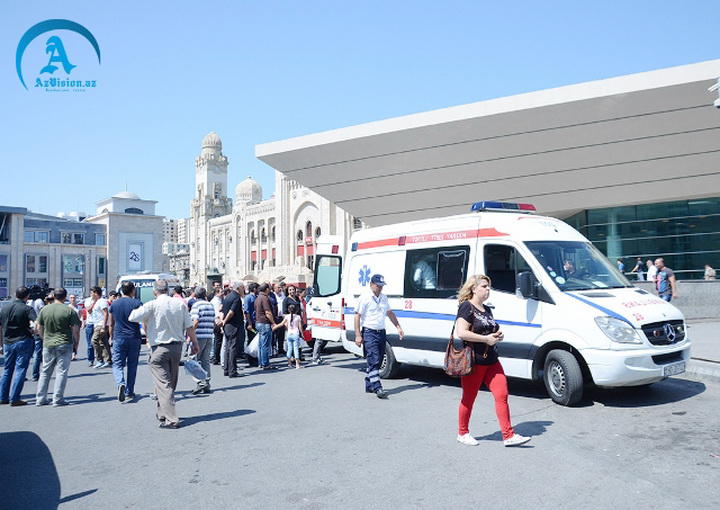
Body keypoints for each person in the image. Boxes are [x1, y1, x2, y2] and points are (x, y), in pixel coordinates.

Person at [454, 275, 530, 447]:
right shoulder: (466, 307)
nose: (488, 290)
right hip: (474, 361)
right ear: (474, 288)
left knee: (502, 394)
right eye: (484, 286)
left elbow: (490, 330)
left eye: (489, 287)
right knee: (469, 398)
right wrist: (485, 339)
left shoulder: (487, 309)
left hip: (492, 360)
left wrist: (497, 335)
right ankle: (462, 433)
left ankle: (508, 435)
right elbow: (462, 332)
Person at [129, 279, 199, 429]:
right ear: (168, 290)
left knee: (163, 384)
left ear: (155, 291)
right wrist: (195, 343)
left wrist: (147, 316)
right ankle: (162, 412)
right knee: (171, 382)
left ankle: (171, 419)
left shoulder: (152, 305)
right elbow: (189, 326)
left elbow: (132, 317)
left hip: (159, 348)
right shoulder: (179, 304)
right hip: (176, 347)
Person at [353, 274, 404, 399]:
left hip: (381, 332)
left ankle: (369, 383)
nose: (380, 288)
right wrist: (358, 335)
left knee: (379, 360)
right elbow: (357, 316)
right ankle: (377, 387)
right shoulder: (364, 298)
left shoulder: (384, 298)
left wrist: (398, 327)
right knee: (374, 359)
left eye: (381, 286)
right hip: (369, 332)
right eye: (378, 285)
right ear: (371, 285)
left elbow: (389, 313)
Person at [35, 288, 81, 407]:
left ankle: (40, 398)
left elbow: (38, 326)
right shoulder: (69, 311)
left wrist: (43, 338)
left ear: (54, 296)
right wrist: (76, 344)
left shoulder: (45, 309)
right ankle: (58, 398)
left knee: (45, 371)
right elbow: (76, 330)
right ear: (65, 297)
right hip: (64, 343)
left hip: (48, 343)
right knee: (61, 372)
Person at [0, 286, 37, 406]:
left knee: (7, 369)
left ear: (15, 294)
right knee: (20, 369)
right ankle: (15, 398)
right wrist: (34, 332)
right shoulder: (27, 308)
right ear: (27, 296)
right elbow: (36, 323)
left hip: (7, 341)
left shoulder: (4, 308)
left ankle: (3, 396)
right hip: (22, 340)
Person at [108, 281, 143, 403]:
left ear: (122, 290)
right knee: (132, 365)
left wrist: (111, 337)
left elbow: (111, 323)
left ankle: (120, 382)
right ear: (133, 291)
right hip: (134, 337)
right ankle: (129, 391)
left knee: (117, 364)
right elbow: (143, 320)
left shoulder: (114, 304)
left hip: (119, 336)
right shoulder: (137, 303)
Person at [189, 287, 215, 394]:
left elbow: (195, 321)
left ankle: (200, 382)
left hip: (199, 336)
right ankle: (207, 382)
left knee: (193, 360)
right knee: (205, 360)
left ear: (195, 295)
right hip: (209, 334)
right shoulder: (210, 305)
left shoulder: (196, 305)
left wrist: (190, 335)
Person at [220, 282, 245, 378]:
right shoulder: (236, 298)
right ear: (238, 288)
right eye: (243, 288)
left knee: (228, 347)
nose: (244, 290)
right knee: (232, 348)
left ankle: (226, 369)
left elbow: (223, 309)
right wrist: (224, 321)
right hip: (233, 324)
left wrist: (223, 321)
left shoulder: (228, 297)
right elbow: (231, 312)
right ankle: (232, 370)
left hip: (228, 325)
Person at [273, 303, 303, 369]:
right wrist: (302, 334)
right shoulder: (298, 317)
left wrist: (275, 327)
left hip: (289, 334)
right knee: (296, 349)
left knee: (289, 349)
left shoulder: (287, 316)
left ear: (289, 310)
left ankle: (289, 363)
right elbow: (300, 327)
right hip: (296, 334)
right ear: (297, 310)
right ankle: (297, 364)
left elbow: (281, 324)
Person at [254, 283, 277, 370]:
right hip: (264, 323)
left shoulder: (257, 298)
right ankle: (265, 363)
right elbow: (268, 312)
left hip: (258, 322)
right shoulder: (264, 298)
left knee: (261, 344)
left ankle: (261, 362)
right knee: (265, 344)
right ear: (266, 289)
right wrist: (273, 322)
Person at [88, 287, 111, 368]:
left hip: (101, 324)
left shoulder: (102, 301)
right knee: (103, 342)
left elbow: (106, 313)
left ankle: (99, 359)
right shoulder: (96, 302)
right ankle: (108, 360)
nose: (91, 295)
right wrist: (93, 302)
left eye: (92, 293)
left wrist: (103, 326)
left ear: (95, 293)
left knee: (94, 340)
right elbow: (89, 310)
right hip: (96, 324)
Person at [30, 292, 46, 381]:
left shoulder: (30, 302)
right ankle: (36, 374)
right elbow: (44, 312)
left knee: (33, 352)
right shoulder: (39, 301)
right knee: (39, 352)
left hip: (31, 328)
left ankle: (35, 374)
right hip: (39, 328)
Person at [243, 283, 259, 366]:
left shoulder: (256, 297)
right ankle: (250, 359)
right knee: (251, 340)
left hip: (256, 322)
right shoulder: (248, 298)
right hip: (251, 323)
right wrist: (249, 323)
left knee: (255, 341)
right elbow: (247, 311)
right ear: (254, 289)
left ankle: (255, 357)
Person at [210, 287, 224, 365]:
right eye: (221, 292)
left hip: (217, 321)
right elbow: (217, 313)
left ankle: (216, 356)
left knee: (218, 340)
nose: (222, 293)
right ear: (217, 293)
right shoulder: (216, 301)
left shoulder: (218, 300)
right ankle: (216, 357)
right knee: (218, 340)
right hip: (217, 322)